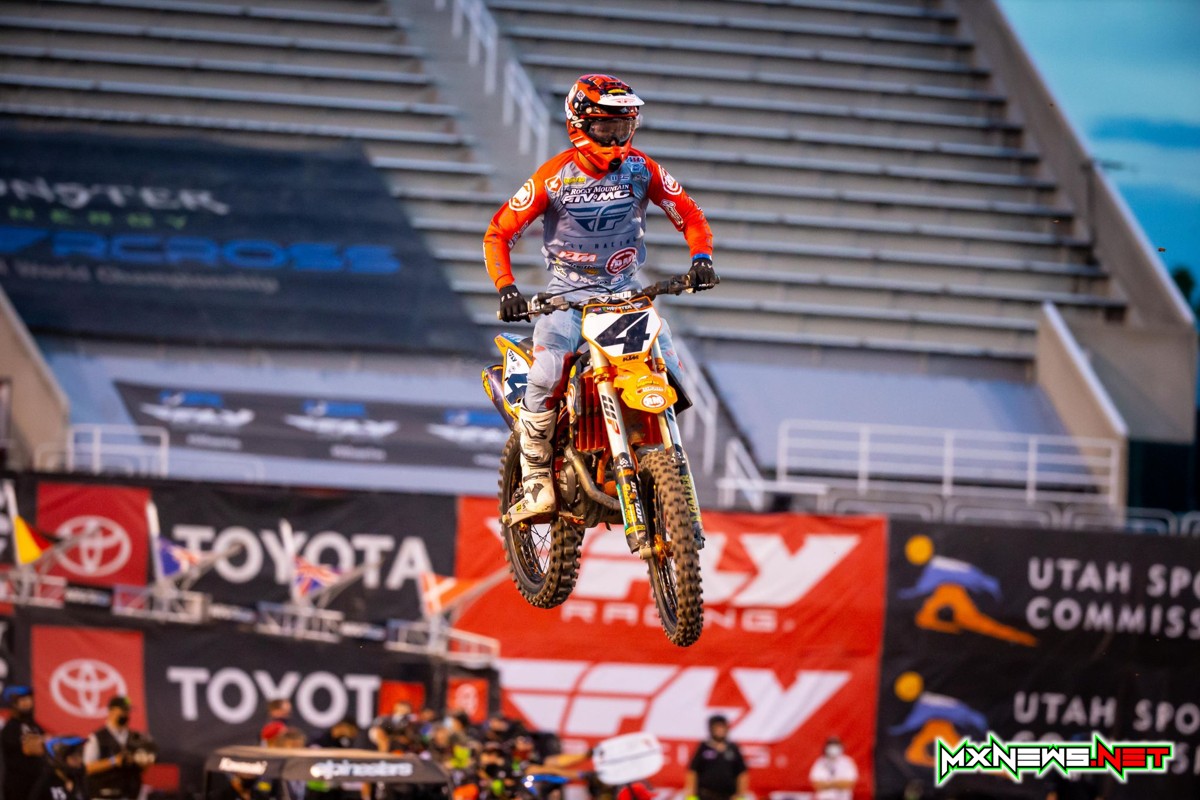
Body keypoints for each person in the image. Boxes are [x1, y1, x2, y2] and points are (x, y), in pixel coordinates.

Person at [483, 72, 718, 522]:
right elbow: (499, 233)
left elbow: (690, 215)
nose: (615, 139)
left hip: (626, 295)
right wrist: (507, 288)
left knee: (670, 370)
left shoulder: (642, 169)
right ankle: (535, 479)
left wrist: (702, 259)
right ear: (579, 124)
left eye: (623, 127)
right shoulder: (553, 178)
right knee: (547, 372)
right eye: (606, 127)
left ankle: (650, 458)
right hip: (567, 298)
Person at [82, 696, 146, 800]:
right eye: (123, 710)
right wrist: (113, 761)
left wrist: (141, 761)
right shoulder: (97, 737)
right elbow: (88, 768)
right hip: (103, 794)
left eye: (128, 711)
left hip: (130, 794)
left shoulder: (136, 737)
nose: (126, 714)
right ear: (111, 711)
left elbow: (142, 768)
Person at [684, 714, 748, 800]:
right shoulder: (703, 747)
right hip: (705, 795)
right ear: (711, 729)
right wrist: (691, 794)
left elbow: (742, 773)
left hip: (728, 796)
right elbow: (693, 771)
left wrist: (740, 795)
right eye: (717, 728)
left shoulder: (733, 748)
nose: (720, 730)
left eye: (722, 727)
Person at [2, 685, 47, 800]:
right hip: (18, 787)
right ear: (13, 704)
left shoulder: (35, 725)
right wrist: (45, 742)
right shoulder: (10, 728)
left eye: (28, 698)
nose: (27, 702)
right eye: (22, 700)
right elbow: (30, 748)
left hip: (37, 783)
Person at [29, 736, 88, 800]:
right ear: (61, 758)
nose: (80, 761)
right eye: (74, 757)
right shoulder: (47, 781)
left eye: (81, 755)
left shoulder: (78, 777)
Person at [808, 736, 857, 800]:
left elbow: (849, 784)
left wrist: (828, 784)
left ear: (841, 747)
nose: (833, 749)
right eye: (831, 746)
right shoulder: (820, 762)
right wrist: (838, 784)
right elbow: (816, 784)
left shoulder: (847, 762)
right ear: (826, 748)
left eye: (836, 746)